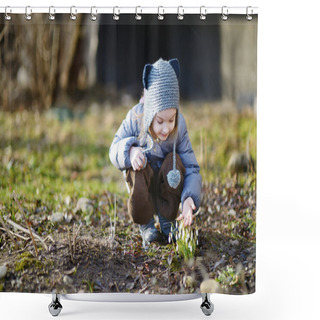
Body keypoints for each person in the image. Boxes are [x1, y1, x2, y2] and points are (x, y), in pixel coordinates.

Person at [109, 58, 202, 246]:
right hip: (144, 184)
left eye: (171, 119)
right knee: (137, 168)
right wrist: (131, 151)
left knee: (175, 161)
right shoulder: (135, 118)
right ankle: (147, 225)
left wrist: (188, 198)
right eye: (160, 121)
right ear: (150, 113)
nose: (166, 128)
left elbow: (192, 167)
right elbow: (114, 150)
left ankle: (168, 220)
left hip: (167, 185)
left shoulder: (180, 126)